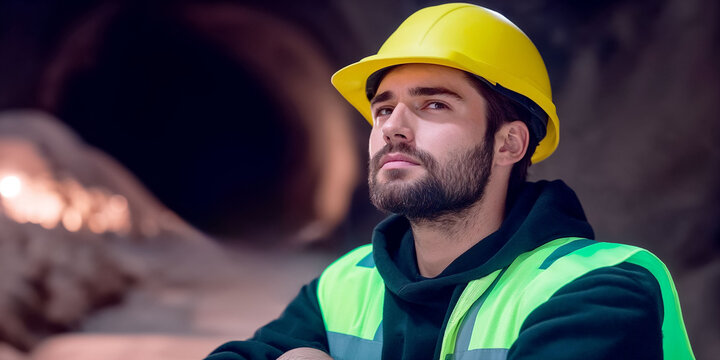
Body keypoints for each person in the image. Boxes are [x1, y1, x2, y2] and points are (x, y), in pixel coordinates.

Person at [206, 3, 695, 359]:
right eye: (383, 109)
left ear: (509, 144)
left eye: (433, 105)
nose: (393, 126)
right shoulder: (348, 283)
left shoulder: (599, 290)